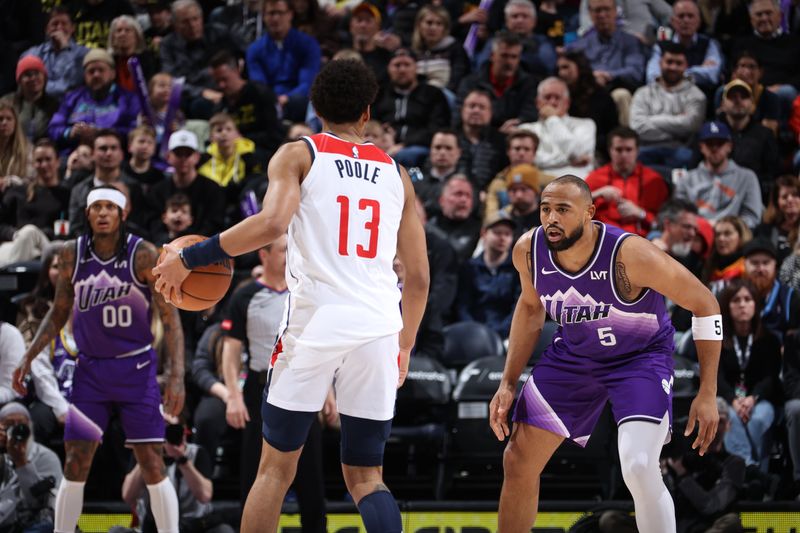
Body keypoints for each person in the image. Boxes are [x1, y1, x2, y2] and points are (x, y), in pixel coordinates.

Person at [152, 59, 429, 533]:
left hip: (315, 324)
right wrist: (404, 345)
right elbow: (420, 277)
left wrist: (193, 257)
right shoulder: (397, 174)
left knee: (275, 470)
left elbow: (273, 224)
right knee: (366, 475)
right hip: (380, 326)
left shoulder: (299, 154)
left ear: (315, 108)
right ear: (367, 112)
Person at [489, 175, 721, 532]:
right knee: (517, 460)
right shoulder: (528, 250)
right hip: (575, 356)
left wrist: (707, 393)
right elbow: (531, 308)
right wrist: (507, 382)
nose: (551, 218)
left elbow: (705, 304)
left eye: (562, 210)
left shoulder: (630, 254)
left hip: (639, 359)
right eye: (545, 209)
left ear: (589, 214)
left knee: (639, 466)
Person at [11, 184, 185, 533]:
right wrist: (28, 356)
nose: (103, 213)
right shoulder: (71, 254)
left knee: (151, 461)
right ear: (87, 213)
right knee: (76, 462)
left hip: (136, 368)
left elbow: (171, 319)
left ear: (123, 213)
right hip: (90, 370)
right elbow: (59, 312)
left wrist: (176, 374)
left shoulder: (144, 255)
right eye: (96, 207)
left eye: (110, 207)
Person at [221, 235, 327, 530]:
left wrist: (327, 389)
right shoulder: (245, 295)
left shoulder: (308, 293)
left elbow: (321, 345)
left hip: (304, 386)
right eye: (283, 250)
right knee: (257, 478)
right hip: (259, 391)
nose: (290, 255)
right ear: (263, 255)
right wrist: (233, 394)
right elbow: (231, 349)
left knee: (312, 481)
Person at [120, 416, 234, 533]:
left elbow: (205, 496)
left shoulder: (197, 453)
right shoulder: (142, 454)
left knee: (224, 531)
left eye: (173, 430)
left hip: (193, 525)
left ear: (184, 432)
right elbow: (128, 496)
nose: (167, 436)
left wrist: (182, 460)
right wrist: (147, 456)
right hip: (152, 526)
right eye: (162, 430)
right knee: (116, 531)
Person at [717, 279, 782, 470]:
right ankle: (749, 469)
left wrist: (753, 398)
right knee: (730, 418)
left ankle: (756, 471)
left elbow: (771, 376)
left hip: (760, 399)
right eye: (736, 300)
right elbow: (716, 376)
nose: (742, 305)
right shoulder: (719, 339)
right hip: (729, 400)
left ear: (756, 304)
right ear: (728, 306)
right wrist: (733, 400)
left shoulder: (769, 339)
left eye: (748, 299)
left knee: (759, 419)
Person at [630, 42, 706, 180]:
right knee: (632, 160)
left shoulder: (696, 95)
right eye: (669, 62)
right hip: (646, 149)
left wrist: (652, 119)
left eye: (678, 63)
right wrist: (677, 128)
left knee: (689, 158)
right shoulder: (643, 93)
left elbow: (691, 125)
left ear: (686, 66)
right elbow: (637, 127)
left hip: (680, 149)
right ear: (660, 63)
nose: (673, 67)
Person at [675, 121, 763, 229]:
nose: (714, 149)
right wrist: (703, 227)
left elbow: (752, 217)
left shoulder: (747, 177)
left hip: (734, 235)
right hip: (696, 233)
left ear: (729, 146)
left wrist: (728, 228)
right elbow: (679, 214)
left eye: (720, 143)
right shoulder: (686, 179)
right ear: (701, 147)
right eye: (710, 143)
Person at [585, 126, 669, 237]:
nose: (624, 155)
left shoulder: (654, 180)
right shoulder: (595, 178)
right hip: (602, 239)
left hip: (643, 241)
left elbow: (665, 223)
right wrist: (598, 194)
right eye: (619, 150)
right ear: (610, 151)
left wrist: (641, 213)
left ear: (637, 151)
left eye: (629, 150)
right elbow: (576, 209)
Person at [0, 402, 63, 533]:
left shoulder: (46, 457)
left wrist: (21, 463)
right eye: (9, 424)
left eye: (21, 424)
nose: (15, 429)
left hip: (33, 523)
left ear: (30, 426)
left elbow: (43, 503)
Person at [455, 213, 520, 339]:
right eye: (497, 233)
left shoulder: (518, 268)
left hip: (510, 335)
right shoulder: (470, 267)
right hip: (475, 334)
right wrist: (474, 330)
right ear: (484, 233)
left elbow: (518, 306)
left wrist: (501, 332)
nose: (502, 238)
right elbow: (463, 305)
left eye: (507, 234)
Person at [518, 77, 596, 179]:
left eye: (557, 98)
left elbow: (576, 153)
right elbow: (529, 160)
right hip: (539, 185)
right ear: (537, 103)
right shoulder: (526, 129)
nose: (552, 103)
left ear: (567, 103)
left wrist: (552, 120)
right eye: (547, 97)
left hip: (577, 183)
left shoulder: (586, 125)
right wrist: (569, 161)